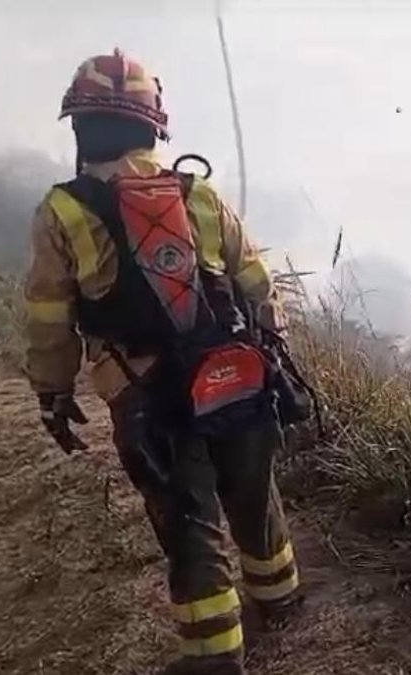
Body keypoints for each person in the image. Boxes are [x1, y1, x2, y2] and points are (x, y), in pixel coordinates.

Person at [23, 49, 303, 675]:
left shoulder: (62, 212)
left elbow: (49, 317)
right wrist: (273, 363)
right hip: (235, 374)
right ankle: (281, 599)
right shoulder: (199, 194)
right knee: (253, 490)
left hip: (144, 389)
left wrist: (54, 393)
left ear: (79, 129)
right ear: (154, 127)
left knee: (187, 515)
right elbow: (257, 285)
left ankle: (213, 655)